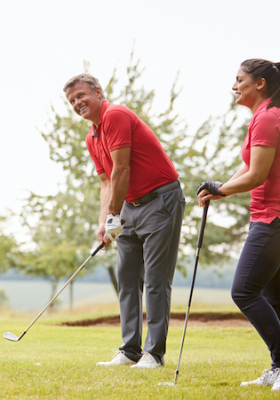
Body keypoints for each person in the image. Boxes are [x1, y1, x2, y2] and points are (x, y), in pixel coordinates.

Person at [197, 59, 280, 391]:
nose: (234, 86)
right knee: (274, 295)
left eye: (239, 80)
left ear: (259, 83)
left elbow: (258, 175)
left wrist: (221, 188)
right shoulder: (267, 115)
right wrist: (220, 190)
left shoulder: (268, 118)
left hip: (277, 219)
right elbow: (249, 168)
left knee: (243, 291)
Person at [63, 74, 185, 369]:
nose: (78, 103)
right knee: (127, 279)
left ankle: (153, 354)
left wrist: (115, 216)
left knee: (155, 281)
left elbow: (122, 170)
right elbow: (106, 182)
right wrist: (104, 222)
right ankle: (130, 350)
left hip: (160, 201)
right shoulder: (91, 137)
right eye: (72, 101)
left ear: (98, 92)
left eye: (81, 96)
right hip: (130, 205)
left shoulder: (115, 115)